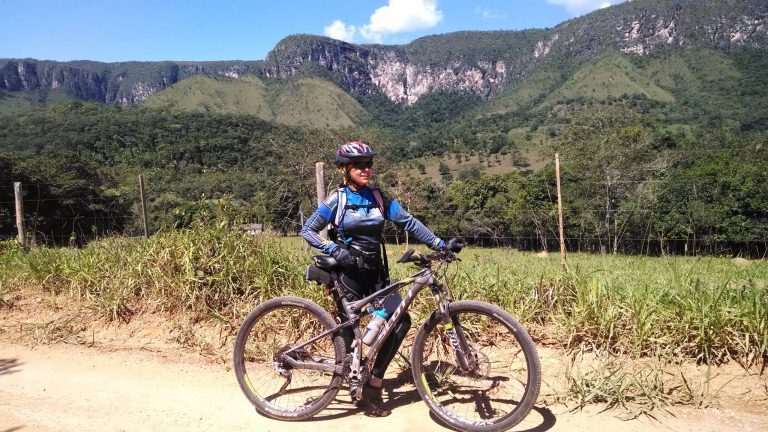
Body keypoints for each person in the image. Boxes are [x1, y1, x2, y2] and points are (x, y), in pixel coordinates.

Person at [300, 141, 445, 417]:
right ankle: (347, 376)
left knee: (400, 321)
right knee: (349, 331)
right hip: (347, 273)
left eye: (369, 164)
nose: (366, 169)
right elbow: (307, 230)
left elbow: (409, 223)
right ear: (346, 169)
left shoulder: (379, 198)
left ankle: (374, 383)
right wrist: (334, 250)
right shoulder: (337, 199)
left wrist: (439, 243)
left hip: (377, 272)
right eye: (359, 165)